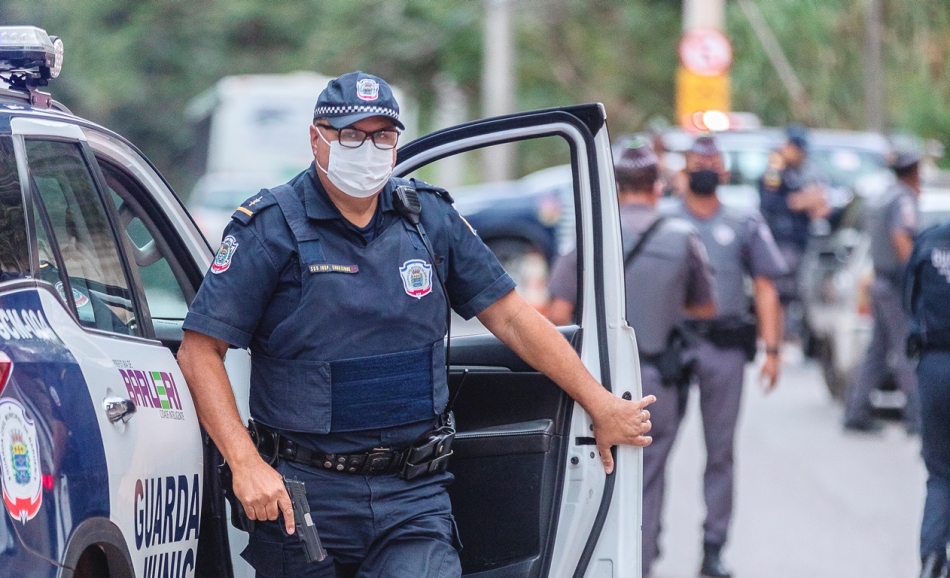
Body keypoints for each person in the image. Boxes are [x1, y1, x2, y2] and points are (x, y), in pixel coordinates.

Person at [176, 70, 655, 578]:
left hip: (412, 496)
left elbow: (513, 317)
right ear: (317, 139)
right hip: (304, 494)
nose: (369, 148)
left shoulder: (427, 217)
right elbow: (200, 350)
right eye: (352, 135)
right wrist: (247, 464)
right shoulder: (270, 227)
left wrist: (599, 402)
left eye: (383, 136)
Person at [546, 139, 716, 577]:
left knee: (587, 480)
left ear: (616, 187)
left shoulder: (588, 238)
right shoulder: (683, 238)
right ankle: (640, 565)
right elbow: (706, 307)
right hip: (656, 385)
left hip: (592, 388)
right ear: (658, 186)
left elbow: (557, 315)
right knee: (648, 482)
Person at [663, 135, 787, 578]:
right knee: (654, 449)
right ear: (684, 168)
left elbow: (768, 285)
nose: (705, 167)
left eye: (712, 161)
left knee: (720, 454)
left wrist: (772, 350)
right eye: (698, 160)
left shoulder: (742, 222)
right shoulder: (664, 220)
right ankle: (642, 542)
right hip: (671, 348)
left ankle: (713, 547)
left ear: (725, 171)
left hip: (725, 348)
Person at [844, 151, 923, 434]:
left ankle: (857, 410)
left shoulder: (884, 196)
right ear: (913, 171)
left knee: (877, 351)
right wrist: (917, 275)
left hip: (881, 281)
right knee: (905, 350)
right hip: (895, 285)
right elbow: (901, 237)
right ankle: (917, 418)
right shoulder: (902, 198)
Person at [904, 219, 950, 578]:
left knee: (940, 473)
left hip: (935, 364)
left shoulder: (930, 239)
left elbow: (909, 302)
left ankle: (932, 559)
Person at [758, 124, 830, 340]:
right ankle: (775, 335)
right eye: (797, 149)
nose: (801, 155)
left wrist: (810, 202)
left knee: (793, 293)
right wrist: (800, 201)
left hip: (799, 240)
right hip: (780, 240)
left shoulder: (804, 172)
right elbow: (772, 203)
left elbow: (821, 205)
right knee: (780, 292)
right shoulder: (776, 169)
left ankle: (787, 335)